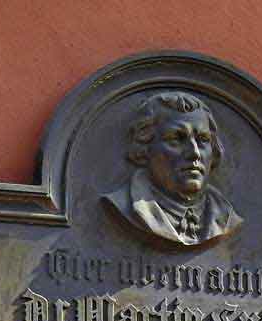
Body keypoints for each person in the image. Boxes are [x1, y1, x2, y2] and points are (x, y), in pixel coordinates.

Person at [103, 91, 244, 247]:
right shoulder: (121, 205)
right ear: (145, 148)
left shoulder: (227, 217)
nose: (194, 153)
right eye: (176, 139)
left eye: (203, 140)